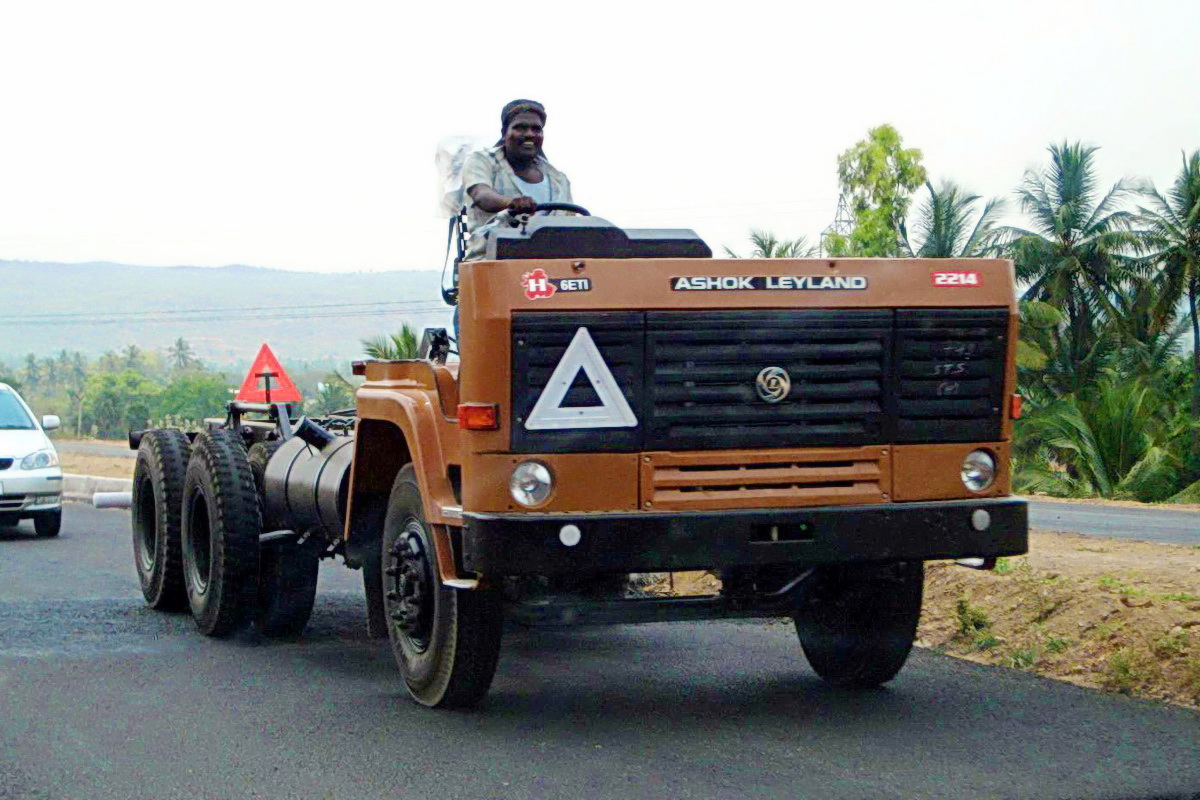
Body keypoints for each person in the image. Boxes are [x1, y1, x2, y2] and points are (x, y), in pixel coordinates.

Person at [459, 99, 573, 259]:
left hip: (550, 267)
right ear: (504, 132)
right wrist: (510, 204)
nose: (529, 134)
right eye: (520, 128)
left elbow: (570, 224)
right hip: (492, 262)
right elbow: (481, 195)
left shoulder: (559, 180)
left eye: (536, 129)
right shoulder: (483, 161)